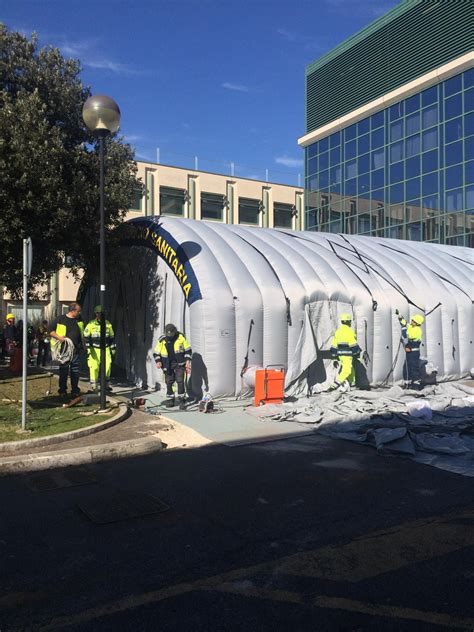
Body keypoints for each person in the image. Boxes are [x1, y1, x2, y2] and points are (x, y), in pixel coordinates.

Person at [50, 302, 85, 398]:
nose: (79, 313)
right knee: (64, 370)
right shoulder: (60, 319)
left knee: (75, 371)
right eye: (78, 311)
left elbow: (82, 333)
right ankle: (62, 390)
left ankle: (75, 390)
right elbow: (51, 331)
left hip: (76, 349)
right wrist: (59, 338)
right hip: (64, 350)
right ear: (72, 310)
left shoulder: (79, 319)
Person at [154, 323, 192, 409]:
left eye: (171, 335)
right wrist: (158, 361)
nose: (170, 337)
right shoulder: (162, 340)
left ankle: (182, 400)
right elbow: (156, 352)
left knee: (180, 381)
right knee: (169, 382)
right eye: (168, 335)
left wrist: (187, 361)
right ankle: (171, 400)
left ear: (175, 332)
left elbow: (188, 350)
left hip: (180, 363)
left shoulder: (181, 337)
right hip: (167, 364)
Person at [83, 305, 116, 392]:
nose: (100, 315)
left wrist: (113, 350)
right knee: (94, 367)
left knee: (108, 365)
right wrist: (88, 349)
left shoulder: (108, 324)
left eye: (101, 313)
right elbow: (86, 337)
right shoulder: (91, 324)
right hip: (94, 349)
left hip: (106, 348)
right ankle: (94, 387)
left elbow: (112, 337)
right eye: (98, 313)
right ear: (95, 314)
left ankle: (106, 385)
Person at [328, 313, 361, 392]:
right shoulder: (349, 331)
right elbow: (353, 344)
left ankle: (351, 385)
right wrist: (357, 352)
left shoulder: (338, 331)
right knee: (347, 370)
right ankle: (335, 385)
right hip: (347, 354)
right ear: (349, 322)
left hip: (340, 355)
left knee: (351, 369)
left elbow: (334, 345)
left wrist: (334, 355)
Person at [396, 310, 424, 388]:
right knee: (407, 367)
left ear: (417, 323)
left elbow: (406, 337)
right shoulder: (411, 327)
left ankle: (416, 384)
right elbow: (405, 324)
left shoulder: (417, 330)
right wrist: (400, 317)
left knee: (414, 367)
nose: (411, 321)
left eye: (413, 321)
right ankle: (408, 383)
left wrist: (404, 329)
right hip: (409, 352)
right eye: (412, 320)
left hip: (414, 352)